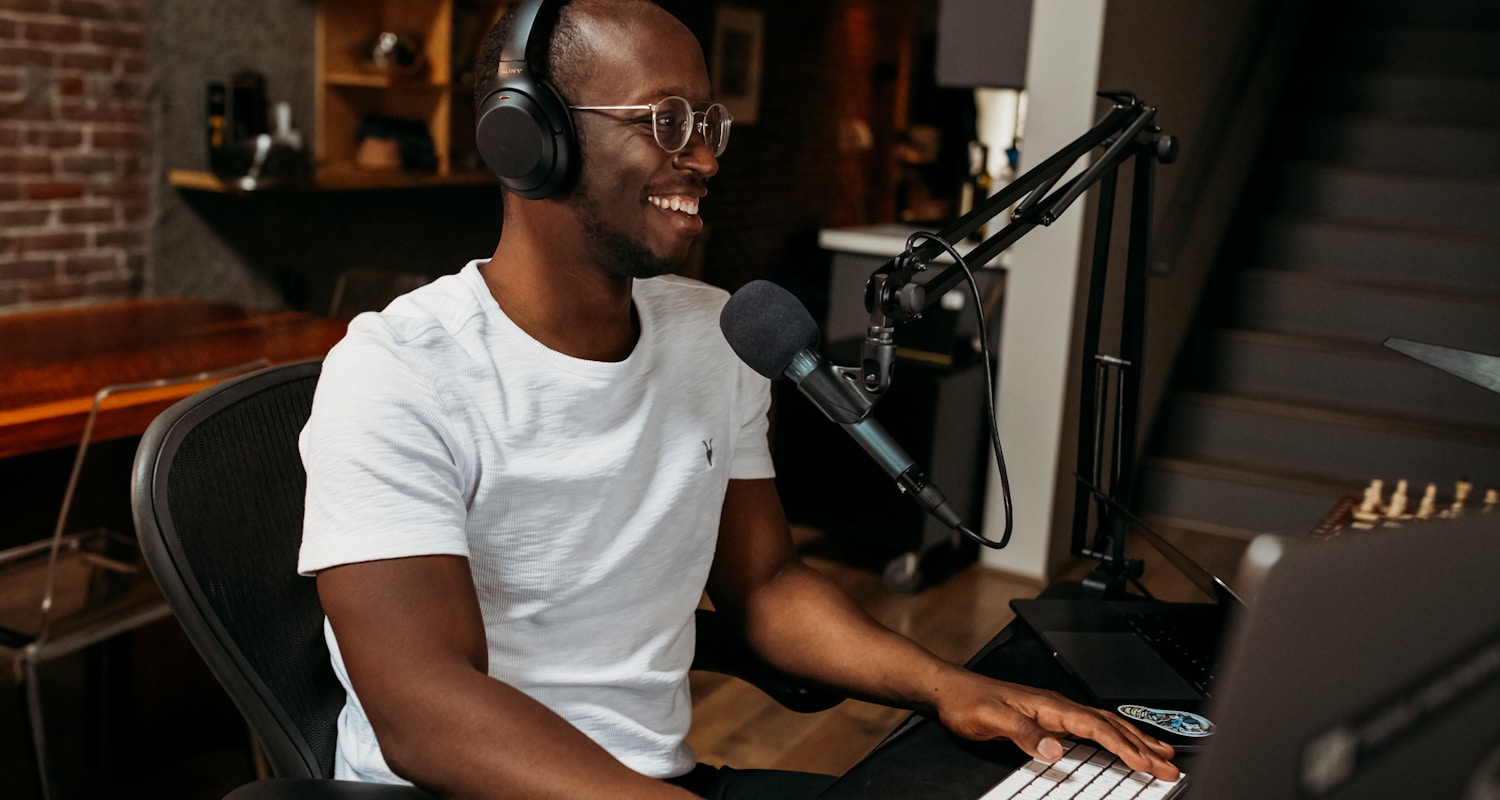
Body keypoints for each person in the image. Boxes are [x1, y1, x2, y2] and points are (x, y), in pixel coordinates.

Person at [296, 1, 1181, 797]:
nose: (708, 157)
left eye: (708, 120)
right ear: (530, 139)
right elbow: (423, 708)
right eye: (667, 120)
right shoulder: (398, 371)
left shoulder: (712, 336)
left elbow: (764, 586)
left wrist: (950, 683)